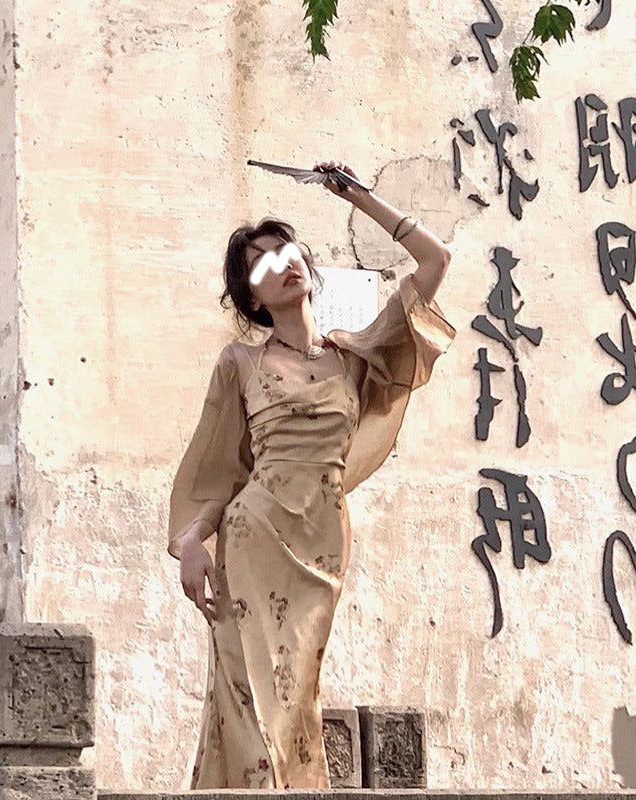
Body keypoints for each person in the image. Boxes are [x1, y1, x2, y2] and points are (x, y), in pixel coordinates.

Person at [167, 160, 456, 789]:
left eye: (285, 249)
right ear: (251, 296)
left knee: (297, 692)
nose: (280, 262)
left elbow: (434, 263)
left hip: (322, 540)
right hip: (252, 536)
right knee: (246, 697)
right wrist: (193, 541)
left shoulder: (356, 356)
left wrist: (356, 195)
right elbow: (217, 470)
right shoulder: (240, 363)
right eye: (261, 263)